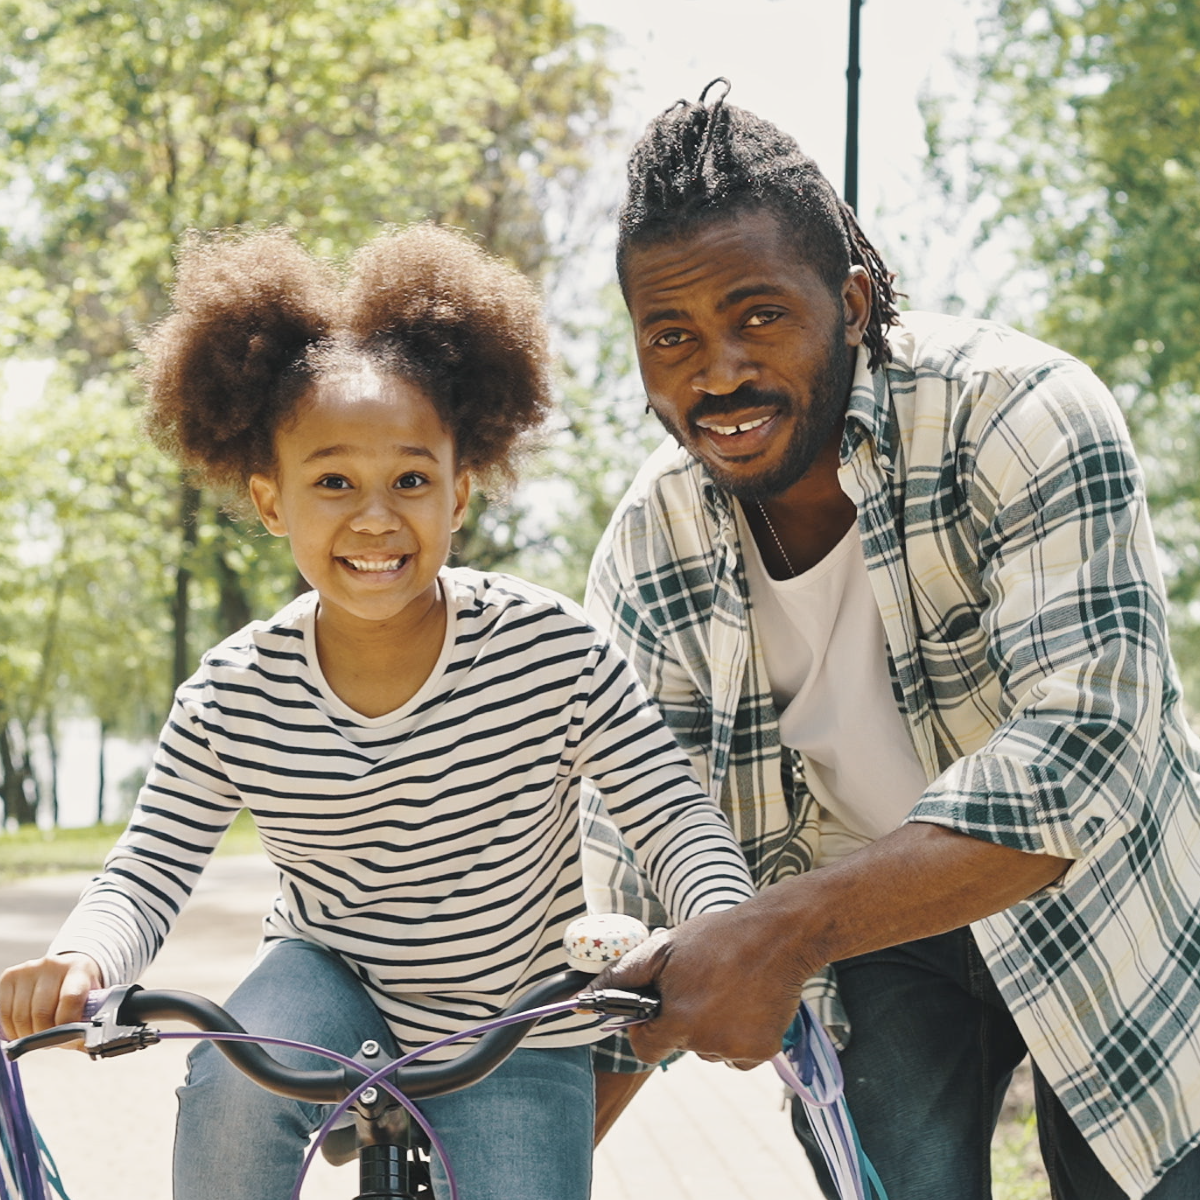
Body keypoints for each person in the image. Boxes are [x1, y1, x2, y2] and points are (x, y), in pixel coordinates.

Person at [0, 224, 757, 1200]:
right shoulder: (236, 692)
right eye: (331, 483)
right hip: (326, 982)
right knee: (228, 1080)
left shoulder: (556, 651)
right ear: (271, 502)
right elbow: (145, 872)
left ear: (459, 492)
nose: (373, 517)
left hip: (517, 1012)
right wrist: (83, 956)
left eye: (410, 480)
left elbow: (673, 818)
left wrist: (723, 924)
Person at [583, 81, 1200, 1200]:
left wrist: (780, 933)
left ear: (854, 302)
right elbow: (621, 866)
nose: (716, 372)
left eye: (759, 314)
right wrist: (506, 1150)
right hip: (872, 935)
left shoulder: (1022, 412)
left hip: (1110, 912)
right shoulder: (651, 542)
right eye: (671, 335)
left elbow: (1080, 761)